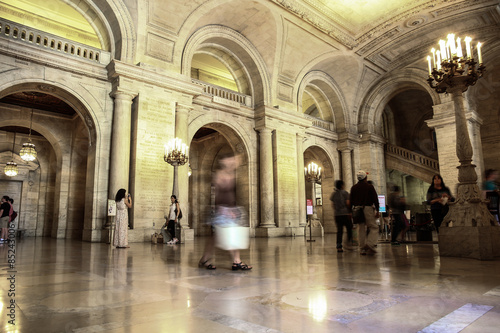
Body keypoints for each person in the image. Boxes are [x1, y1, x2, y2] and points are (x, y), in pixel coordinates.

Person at [198, 153, 252, 270]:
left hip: (229, 209)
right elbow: (218, 195)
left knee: (216, 236)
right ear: (223, 162)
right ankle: (236, 261)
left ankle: (205, 259)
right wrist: (224, 210)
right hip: (222, 210)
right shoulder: (219, 175)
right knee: (232, 233)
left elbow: (231, 194)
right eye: (229, 160)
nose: (232, 162)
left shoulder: (231, 174)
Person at [350, 170, 380, 255]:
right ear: (365, 178)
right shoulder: (369, 187)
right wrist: (378, 210)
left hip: (357, 209)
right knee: (374, 227)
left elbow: (351, 201)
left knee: (361, 229)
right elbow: (375, 199)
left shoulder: (353, 187)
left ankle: (362, 248)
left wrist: (350, 212)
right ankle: (370, 244)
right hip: (367, 208)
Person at [330, 180, 353, 252]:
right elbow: (348, 203)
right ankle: (348, 243)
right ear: (342, 185)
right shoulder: (345, 193)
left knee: (339, 231)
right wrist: (350, 212)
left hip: (337, 214)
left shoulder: (333, 194)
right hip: (345, 213)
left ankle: (339, 246)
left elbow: (332, 205)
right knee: (349, 228)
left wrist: (337, 210)